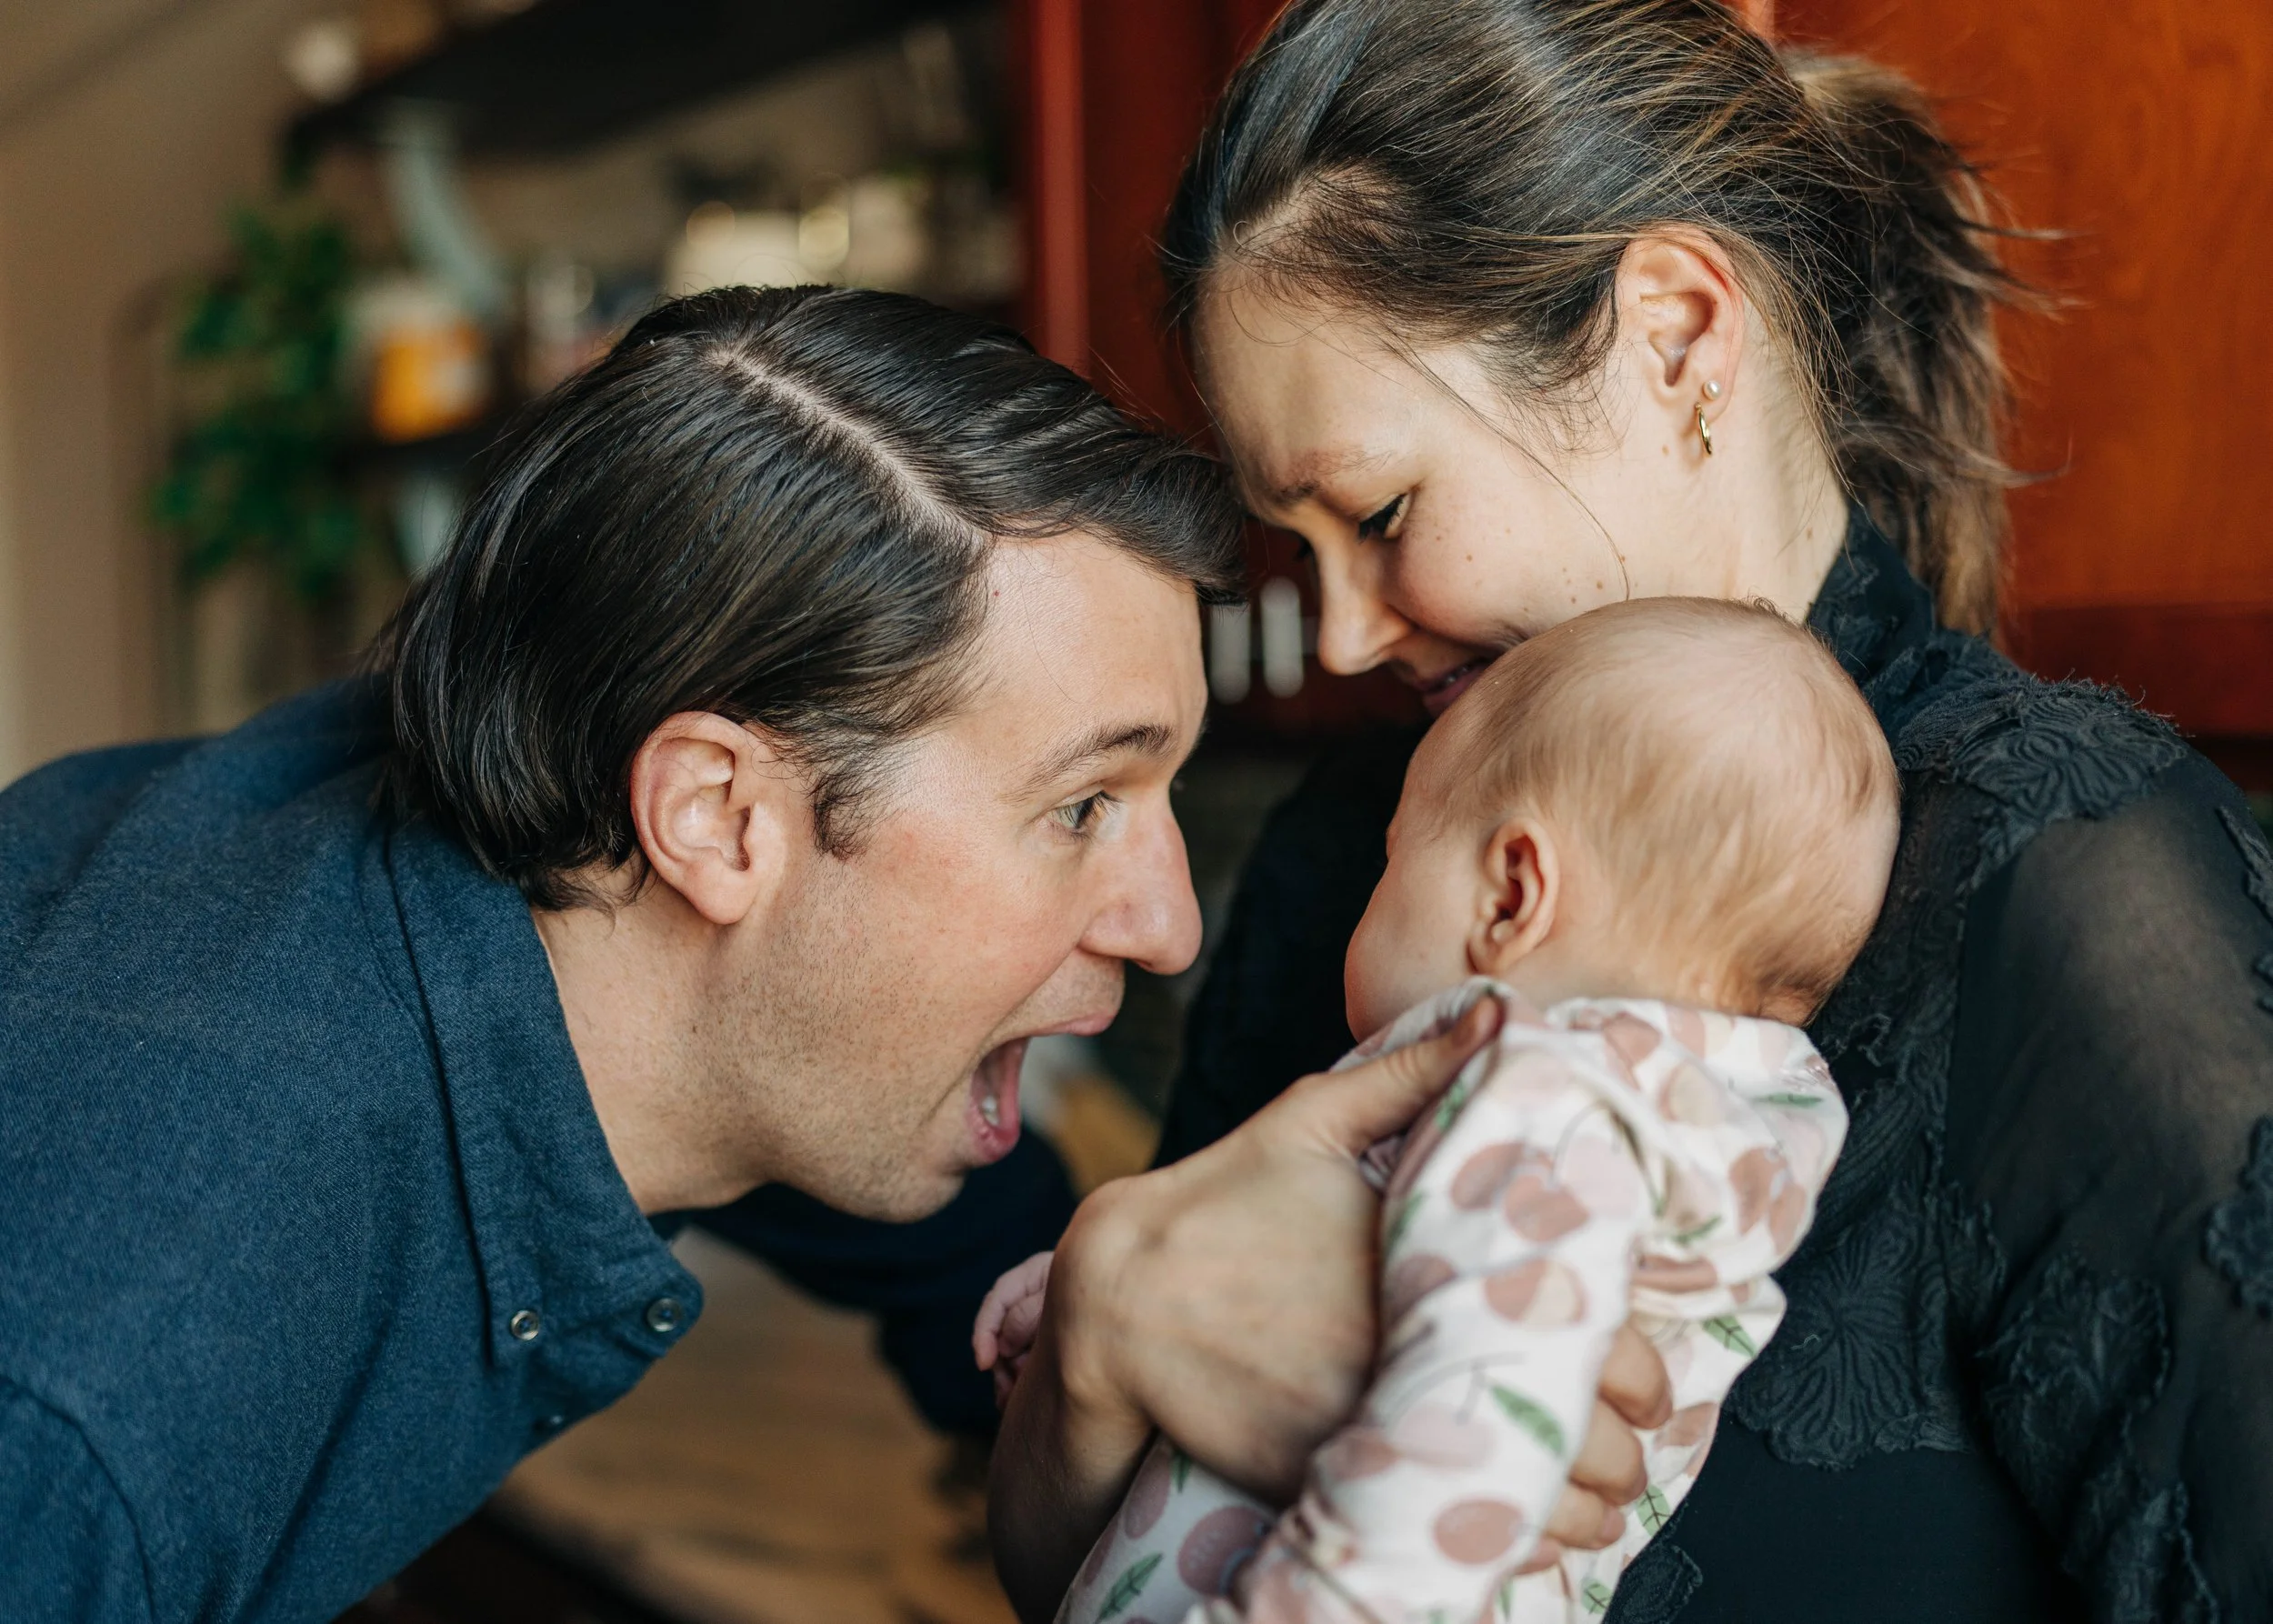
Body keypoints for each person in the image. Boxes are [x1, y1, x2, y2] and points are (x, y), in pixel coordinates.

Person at [987, 3, 2273, 1621]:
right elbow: (1093, 1572)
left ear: (1673, 333)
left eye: (1380, 514)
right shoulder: (1353, 847)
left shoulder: (2072, 876)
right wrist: (1104, 1322)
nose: (1337, 632)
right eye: (1292, 548)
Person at [0, 285, 1508, 1624]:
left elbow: (953, 1237)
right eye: (1084, 805)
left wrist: (1109, 1320)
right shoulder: (102, 1393)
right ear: (718, 817)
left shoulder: (610, 943)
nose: (1165, 923)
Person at [985, 598, 1898, 1624]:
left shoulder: (1548, 1100)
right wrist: (1087, 1289)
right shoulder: (1613, 1132)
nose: (1370, 894)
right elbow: (1326, 1277)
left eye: (1392, 859)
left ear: (1510, 897)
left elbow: (1458, 1447)